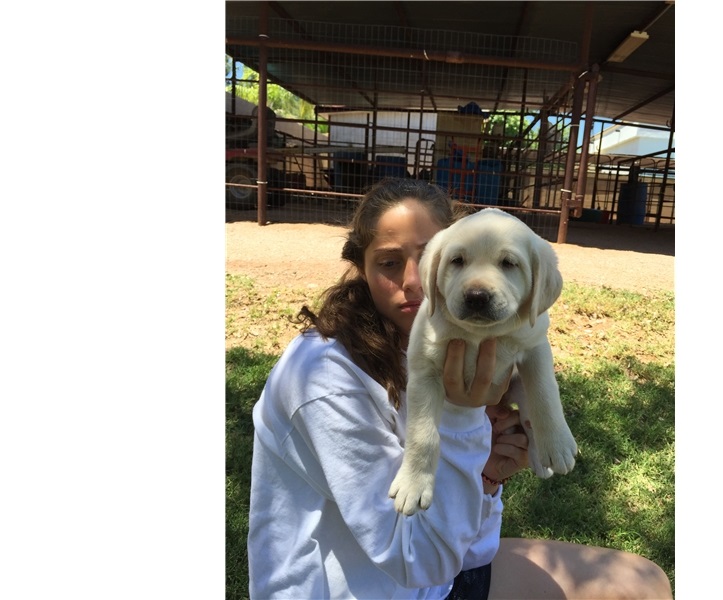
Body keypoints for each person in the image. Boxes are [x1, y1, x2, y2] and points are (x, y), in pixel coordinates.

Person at [246, 178, 673, 599]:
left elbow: (471, 550)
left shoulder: (442, 336)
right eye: (389, 262)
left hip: (441, 573)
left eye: (427, 257)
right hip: (366, 587)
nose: (414, 281)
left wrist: (485, 475)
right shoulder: (322, 380)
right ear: (362, 268)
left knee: (643, 582)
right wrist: (463, 417)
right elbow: (417, 559)